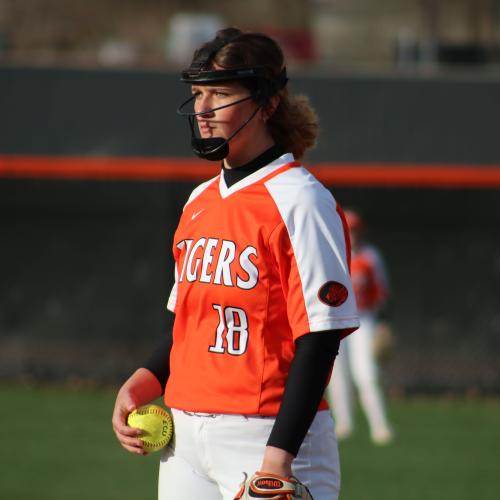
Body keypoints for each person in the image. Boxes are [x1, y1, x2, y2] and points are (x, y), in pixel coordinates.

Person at [112, 27, 359, 500]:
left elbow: (320, 338)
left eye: (221, 94)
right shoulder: (199, 201)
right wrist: (144, 380)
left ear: (268, 103)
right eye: (198, 94)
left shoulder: (301, 200)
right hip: (184, 437)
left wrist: (278, 456)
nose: (203, 110)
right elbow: (189, 324)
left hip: (267, 436)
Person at [325, 209, 394, 445]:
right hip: (334, 319)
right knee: (336, 375)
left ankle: (379, 425)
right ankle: (343, 424)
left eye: (354, 230)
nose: (351, 235)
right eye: (347, 230)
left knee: (366, 374)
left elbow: (381, 292)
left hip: (363, 319)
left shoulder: (370, 257)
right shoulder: (331, 254)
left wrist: (383, 323)